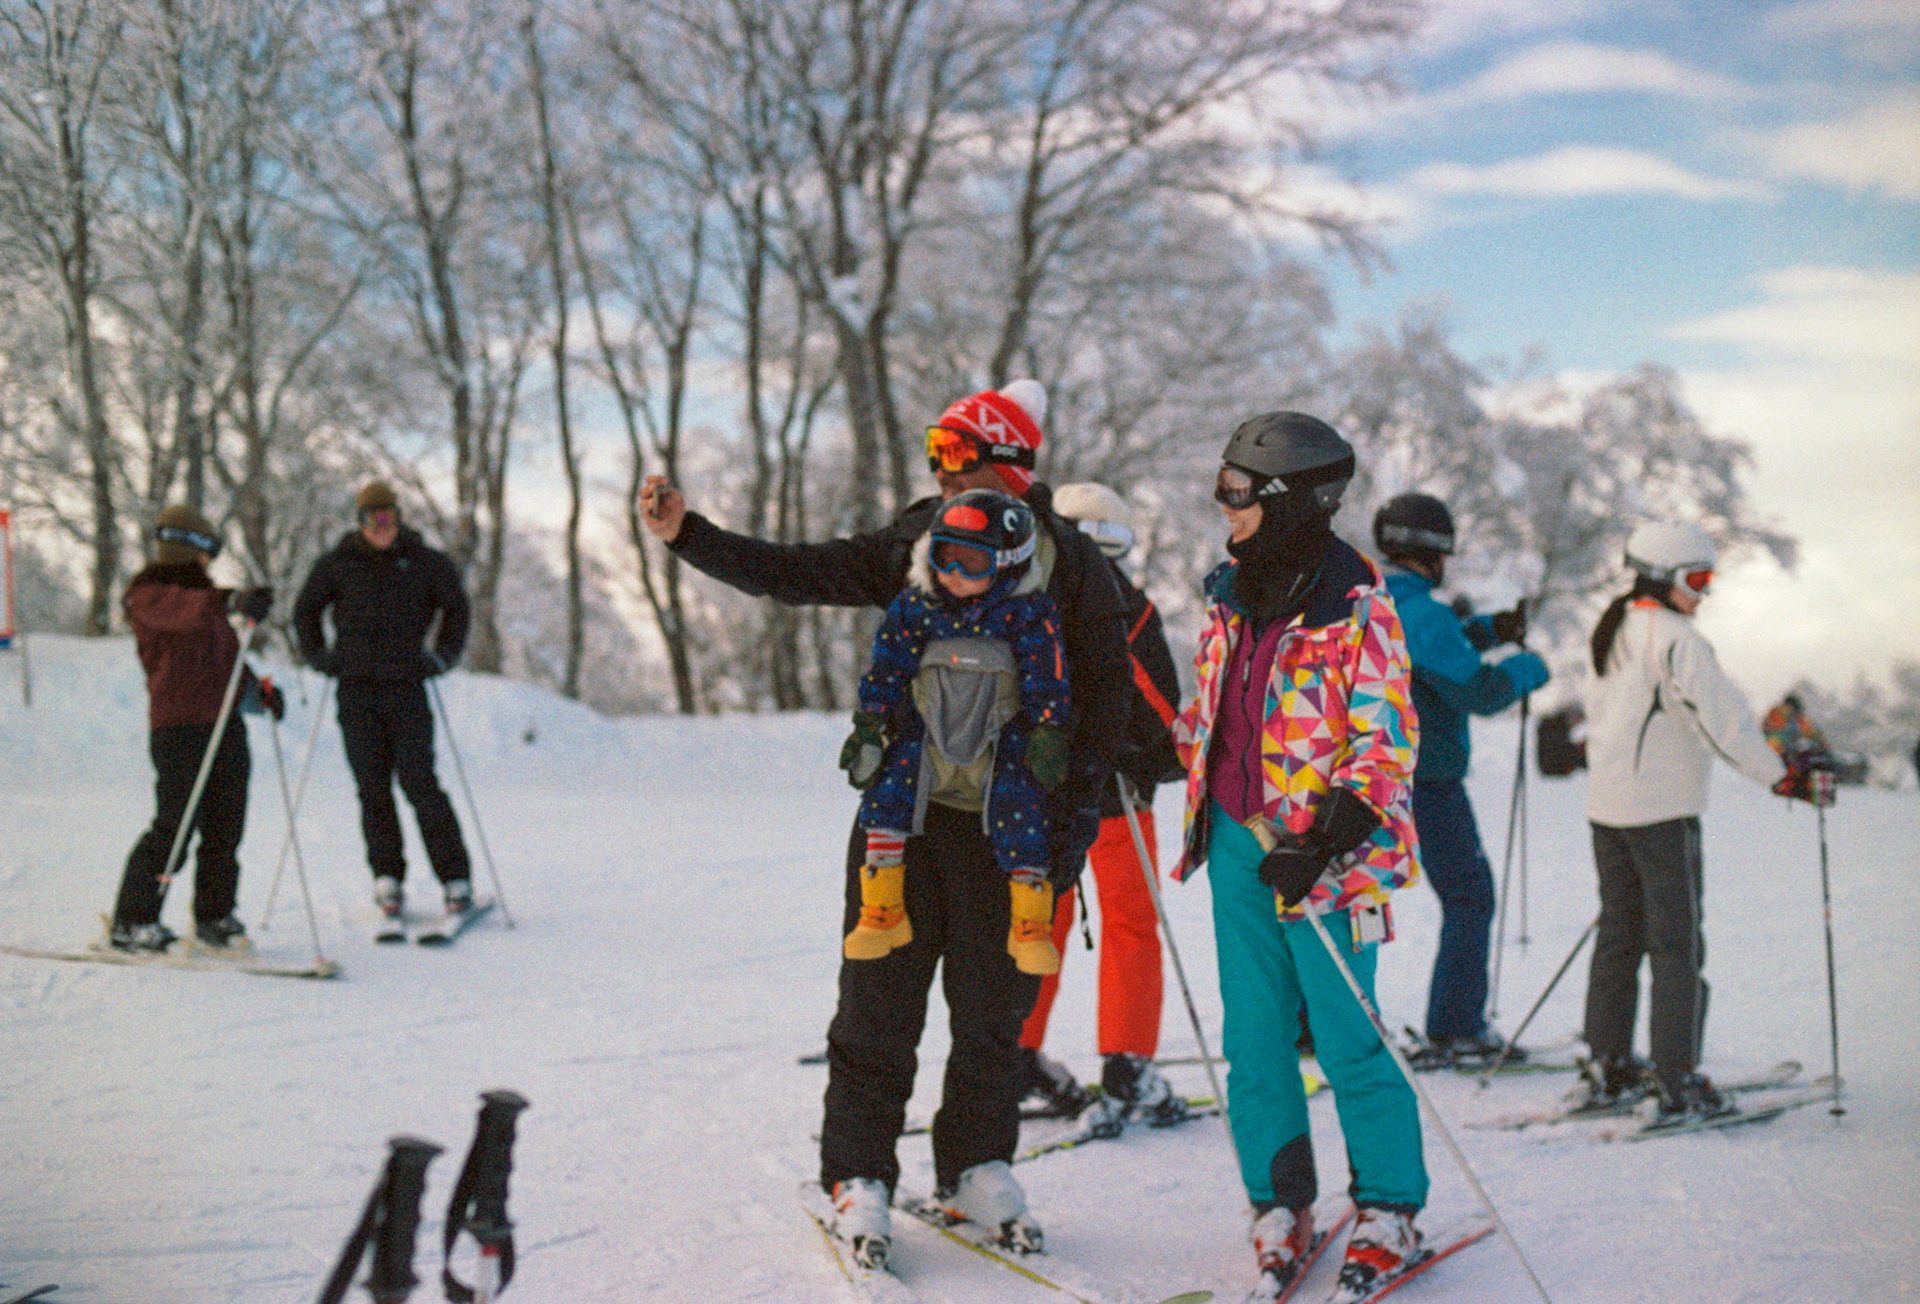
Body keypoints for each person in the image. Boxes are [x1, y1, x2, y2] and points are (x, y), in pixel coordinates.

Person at [640, 379, 1130, 1268]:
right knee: (878, 1005)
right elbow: (802, 573)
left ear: (1009, 463)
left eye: (955, 454)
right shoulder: (916, 541)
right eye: (935, 456)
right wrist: (688, 535)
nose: (939, 474)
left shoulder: (1074, 564)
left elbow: (1103, 703)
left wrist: (1074, 828)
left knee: (994, 1013)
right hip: (905, 826)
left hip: (1012, 835)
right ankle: (858, 1172)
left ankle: (976, 1163)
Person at [1168, 412, 1427, 1301]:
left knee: (1349, 1038)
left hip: (1324, 856)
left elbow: (1387, 740)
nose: (1223, 507)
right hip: (1241, 848)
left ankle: (1390, 1205)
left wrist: (1325, 839)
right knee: (1254, 1040)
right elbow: (1215, 717)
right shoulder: (1230, 592)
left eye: (1237, 492)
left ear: (1288, 501)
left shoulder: (1359, 605)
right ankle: (1278, 1202)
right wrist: (1153, 740)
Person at [1578, 520, 1834, 1122]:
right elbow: (1728, 725)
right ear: (1664, 578)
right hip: (1661, 815)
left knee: (1620, 936)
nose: (1704, 593)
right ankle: (1676, 1079)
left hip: (1608, 812)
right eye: (1698, 579)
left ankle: (1606, 1064)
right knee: (1675, 943)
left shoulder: (1611, 631)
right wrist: (1782, 775)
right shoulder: (1678, 640)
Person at [1014, 481, 1190, 1129]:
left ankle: (1015, 1054)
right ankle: (1127, 1064)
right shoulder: (1122, 602)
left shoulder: (1025, 591)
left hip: (1036, 789)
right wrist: (1166, 757)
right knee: (1129, 924)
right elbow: (1155, 702)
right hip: (1112, 790)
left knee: (1042, 921)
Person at [844, 488, 1071, 976]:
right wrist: (871, 726)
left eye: (974, 562)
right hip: (928, 733)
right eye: (946, 557)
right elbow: (886, 670)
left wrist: (1048, 730)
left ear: (1009, 564)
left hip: (999, 737)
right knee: (886, 795)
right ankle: (882, 910)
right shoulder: (916, 607)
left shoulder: (1028, 614)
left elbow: (1046, 676)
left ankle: (1029, 923)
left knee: (1022, 806)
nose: (955, 575)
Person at [1372, 492, 1549, 1065]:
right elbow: (1478, 691)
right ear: (1434, 553)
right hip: (1426, 781)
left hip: (1361, 778)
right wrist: (1528, 668)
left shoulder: (1366, 600)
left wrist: (1485, 631)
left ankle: (1318, 1023)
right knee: (1469, 895)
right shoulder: (1426, 614)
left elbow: (1423, 657)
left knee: (1353, 900)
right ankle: (1457, 1027)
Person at [293, 481, 475, 934]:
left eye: (390, 518)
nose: (383, 528)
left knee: (420, 783)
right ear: (360, 522)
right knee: (372, 787)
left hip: (407, 687)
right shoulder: (336, 565)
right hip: (355, 691)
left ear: (398, 518)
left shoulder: (424, 562)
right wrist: (321, 657)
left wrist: (443, 657)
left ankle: (455, 880)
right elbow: (304, 612)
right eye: (374, 520)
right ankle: (387, 878)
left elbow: (457, 609)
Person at [111, 504, 280, 953]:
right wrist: (228, 600)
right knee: (176, 826)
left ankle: (214, 916)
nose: (209, 562)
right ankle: (133, 919)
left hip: (224, 726)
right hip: (180, 728)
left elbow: (227, 659)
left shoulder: (207, 603)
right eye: (207, 552)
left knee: (226, 827)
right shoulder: (150, 594)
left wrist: (258, 694)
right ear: (186, 549)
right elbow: (183, 614)